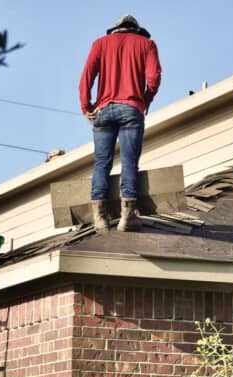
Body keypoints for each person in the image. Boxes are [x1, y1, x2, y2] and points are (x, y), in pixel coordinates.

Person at [79, 15, 162, 231]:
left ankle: (100, 217)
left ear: (116, 29)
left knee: (101, 163)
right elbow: (153, 78)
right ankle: (128, 216)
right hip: (131, 109)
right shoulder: (147, 44)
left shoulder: (100, 44)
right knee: (129, 162)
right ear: (137, 29)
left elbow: (86, 77)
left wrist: (86, 107)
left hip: (103, 110)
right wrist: (144, 101)